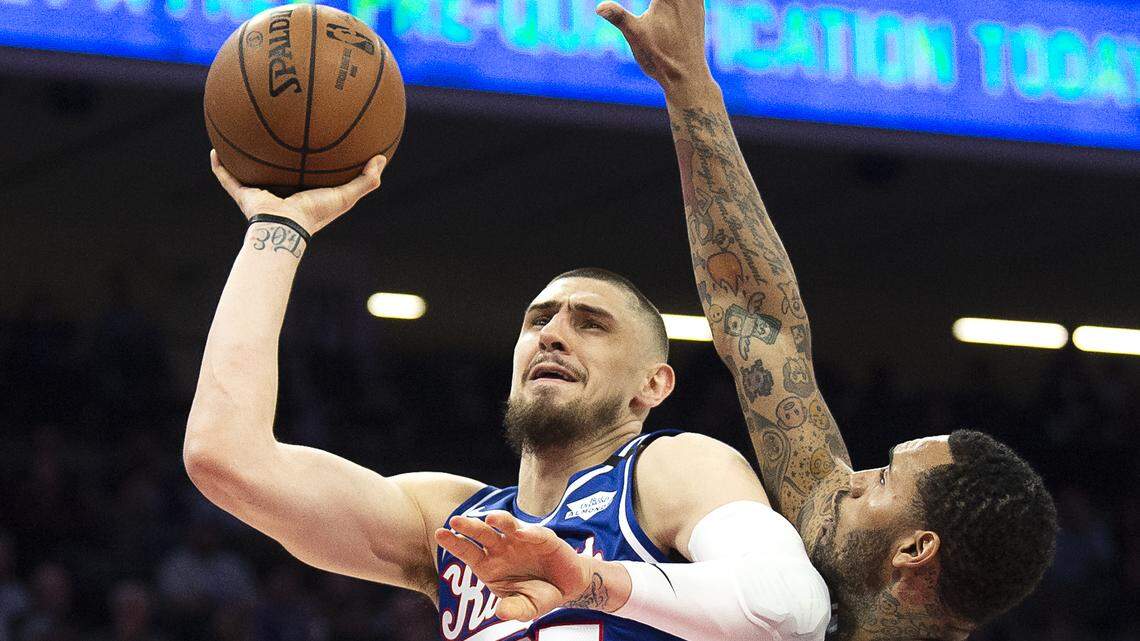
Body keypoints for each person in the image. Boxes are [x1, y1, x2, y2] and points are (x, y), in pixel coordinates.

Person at [446, 0, 1061, 638]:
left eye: (881, 479)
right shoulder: (831, 534)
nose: (849, 479)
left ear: (914, 551)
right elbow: (760, 325)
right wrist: (690, 87)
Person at [185, 150, 829, 638]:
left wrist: (591, 582)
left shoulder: (669, 468)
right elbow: (227, 459)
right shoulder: (452, 522)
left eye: (590, 323)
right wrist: (276, 231)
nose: (552, 334)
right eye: (537, 320)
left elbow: (794, 607)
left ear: (653, 384)